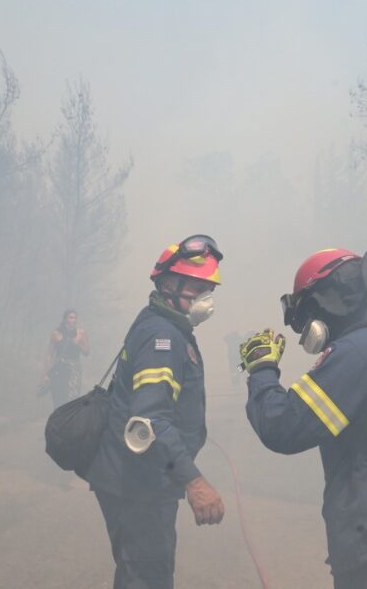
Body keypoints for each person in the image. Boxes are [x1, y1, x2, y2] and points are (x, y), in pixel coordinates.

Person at [240, 247, 367, 589]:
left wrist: (262, 369)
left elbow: (283, 428)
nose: (307, 330)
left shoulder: (356, 353)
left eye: (306, 316)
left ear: (326, 301)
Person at [82, 235, 227, 589]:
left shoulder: (162, 324)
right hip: (138, 484)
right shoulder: (163, 337)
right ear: (167, 285)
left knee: (141, 573)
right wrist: (193, 480)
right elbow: (149, 421)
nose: (204, 297)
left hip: (142, 481)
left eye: (207, 288)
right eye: (196, 287)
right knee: (147, 578)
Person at [40, 309, 90, 408]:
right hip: (59, 369)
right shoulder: (56, 334)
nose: (74, 320)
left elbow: (87, 352)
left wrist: (78, 344)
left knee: (72, 397)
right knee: (58, 396)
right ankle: (58, 420)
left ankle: (69, 421)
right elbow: (50, 355)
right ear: (65, 319)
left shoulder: (81, 333)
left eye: (75, 318)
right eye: (71, 317)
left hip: (73, 370)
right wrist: (45, 374)